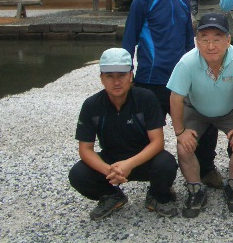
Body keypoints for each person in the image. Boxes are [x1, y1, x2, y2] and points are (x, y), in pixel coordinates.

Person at [122, 0, 220, 188]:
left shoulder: (183, 2)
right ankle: (155, 179)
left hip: (182, 81)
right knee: (147, 132)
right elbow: (129, 41)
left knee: (205, 122)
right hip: (151, 80)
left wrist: (200, 73)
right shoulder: (142, 3)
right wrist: (126, 74)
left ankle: (206, 168)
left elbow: (189, 43)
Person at [68, 48, 178, 220]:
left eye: (121, 75)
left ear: (130, 76)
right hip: (111, 161)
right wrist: (108, 169)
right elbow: (85, 149)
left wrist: (129, 164)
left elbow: (157, 142)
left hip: (143, 159)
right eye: (110, 76)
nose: (116, 82)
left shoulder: (146, 98)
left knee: (167, 163)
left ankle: (157, 195)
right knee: (78, 174)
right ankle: (111, 196)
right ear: (101, 78)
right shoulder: (91, 105)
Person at [167, 13, 233, 217]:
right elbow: (175, 98)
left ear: (228, 40)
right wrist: (180, 132)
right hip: (196, 109)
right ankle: (195, 190)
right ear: (197, 41)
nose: (211, 46)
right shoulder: (187, 62)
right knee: (183, 147)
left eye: (217, 39)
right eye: (205, 39)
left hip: (230, 109)